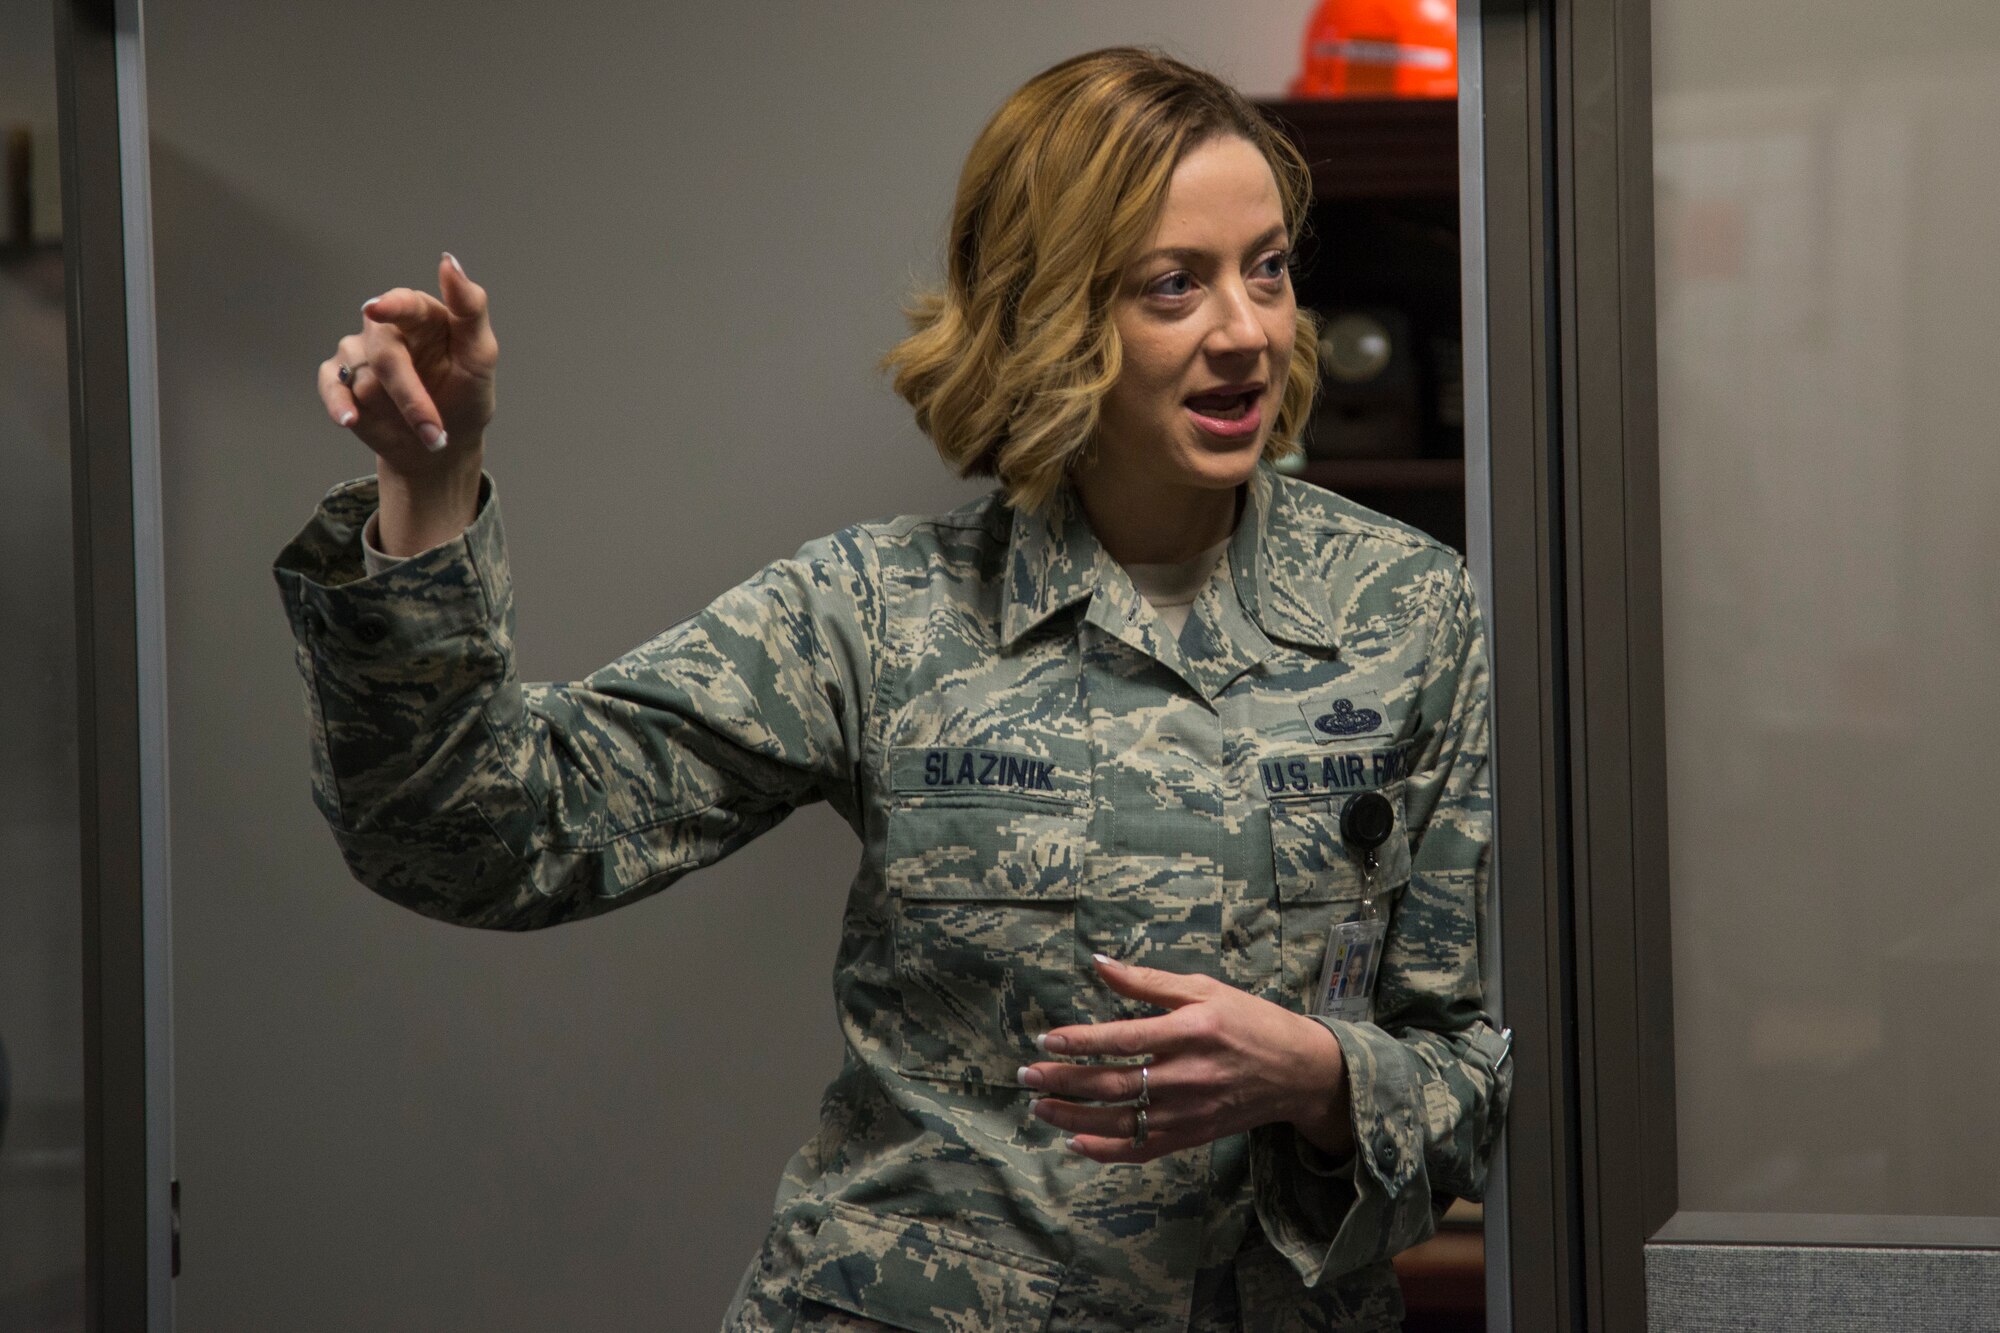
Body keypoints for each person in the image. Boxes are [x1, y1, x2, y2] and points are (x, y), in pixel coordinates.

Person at [277, 45, 1508, 1332]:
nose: (1244, 330)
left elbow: (1469, 1075)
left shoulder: (1406, 612)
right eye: (1170, 285)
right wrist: (432, 476)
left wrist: (1314, 1076)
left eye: (1264, 268)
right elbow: (474, 837)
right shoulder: (876, 612)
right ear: (1052, 314)